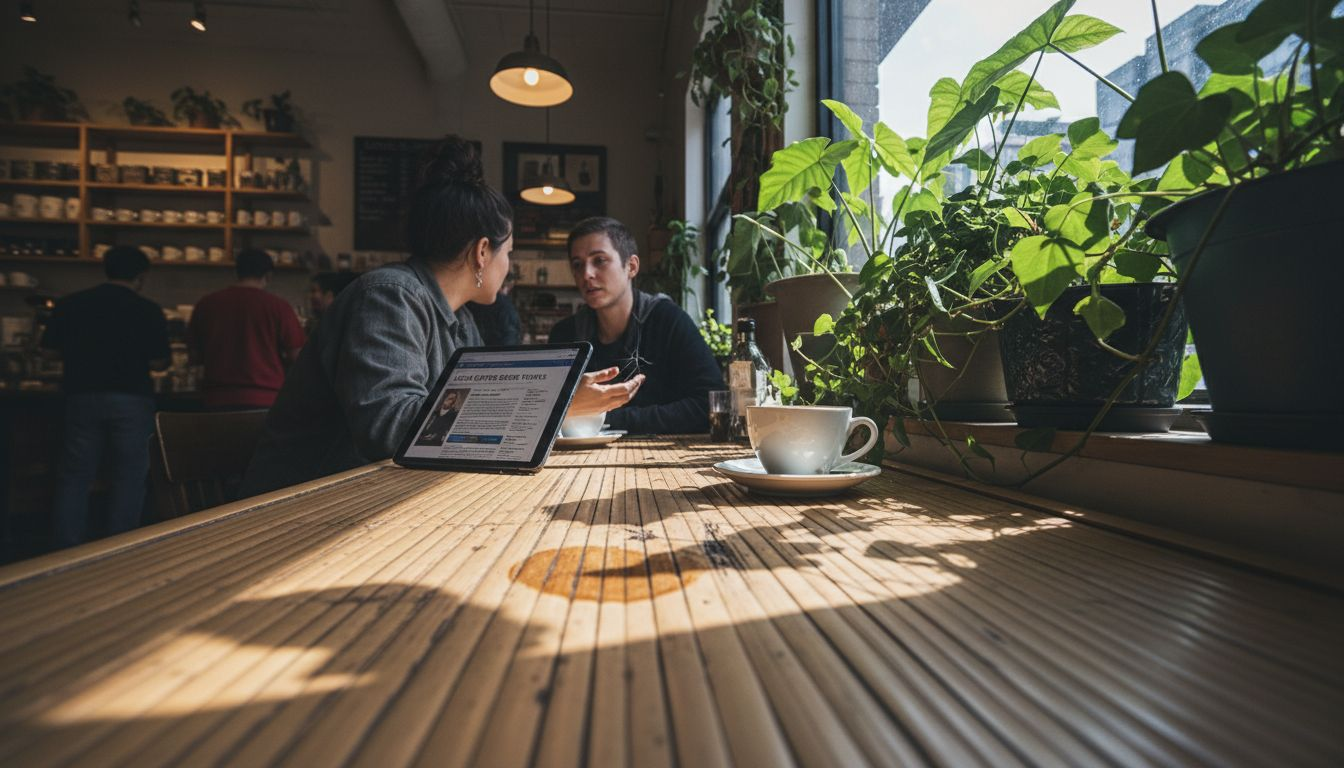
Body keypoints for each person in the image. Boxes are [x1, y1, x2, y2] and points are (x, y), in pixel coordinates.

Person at [241, 137, 642, 496]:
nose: (510, 265)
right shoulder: (388, 297)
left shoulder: (459, 319)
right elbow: (391, 428)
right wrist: (556, 402)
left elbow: (470, 420)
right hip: (297, 507)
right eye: (510, 253)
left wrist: (559, 393)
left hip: (373, 498)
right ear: (483, 252)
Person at [40, 246, 170, 547]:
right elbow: (159, 363)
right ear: (141, 276)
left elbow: (48, 352)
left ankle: (66, 546)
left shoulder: (71, 304)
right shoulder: (148, 310)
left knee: (75, 475)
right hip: (131, 398)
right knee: (130, 476)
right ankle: (119, 547)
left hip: (81, 396)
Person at [548, 216, 724, 434]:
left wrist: (602, 416)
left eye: (599, 260)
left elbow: (710, 405)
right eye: (577, 265)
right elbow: (542, 412)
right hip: (576, 462)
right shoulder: (565, 335)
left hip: (660, 459)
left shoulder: (668, 320)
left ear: (631, 266)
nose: (586, 274)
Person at [188, 249, 306, 410]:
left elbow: (194, 356)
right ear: (268, 275)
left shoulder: (207, 304)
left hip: (217, 398)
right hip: (266, 398)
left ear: (237, 272)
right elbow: (298, 356)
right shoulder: (279, 307)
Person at [467, 272, 521, 346]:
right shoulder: (505, 305)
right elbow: (510, 337)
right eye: (510, 286)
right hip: (499, 352)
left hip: (477, 349)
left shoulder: (474, 300)